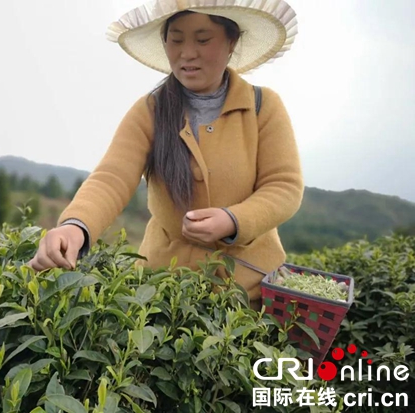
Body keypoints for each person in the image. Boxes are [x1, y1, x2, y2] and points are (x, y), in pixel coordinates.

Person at [29, 0, 303, 308]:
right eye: (176, 39)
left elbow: (284, 186)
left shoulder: (262, 107)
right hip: (162, 294)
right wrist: (75, 226)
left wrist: (233, 220)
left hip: (245, 296)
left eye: (202, 39)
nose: (187, 53)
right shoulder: (150, 111)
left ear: (231, 41)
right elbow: (112, 178)